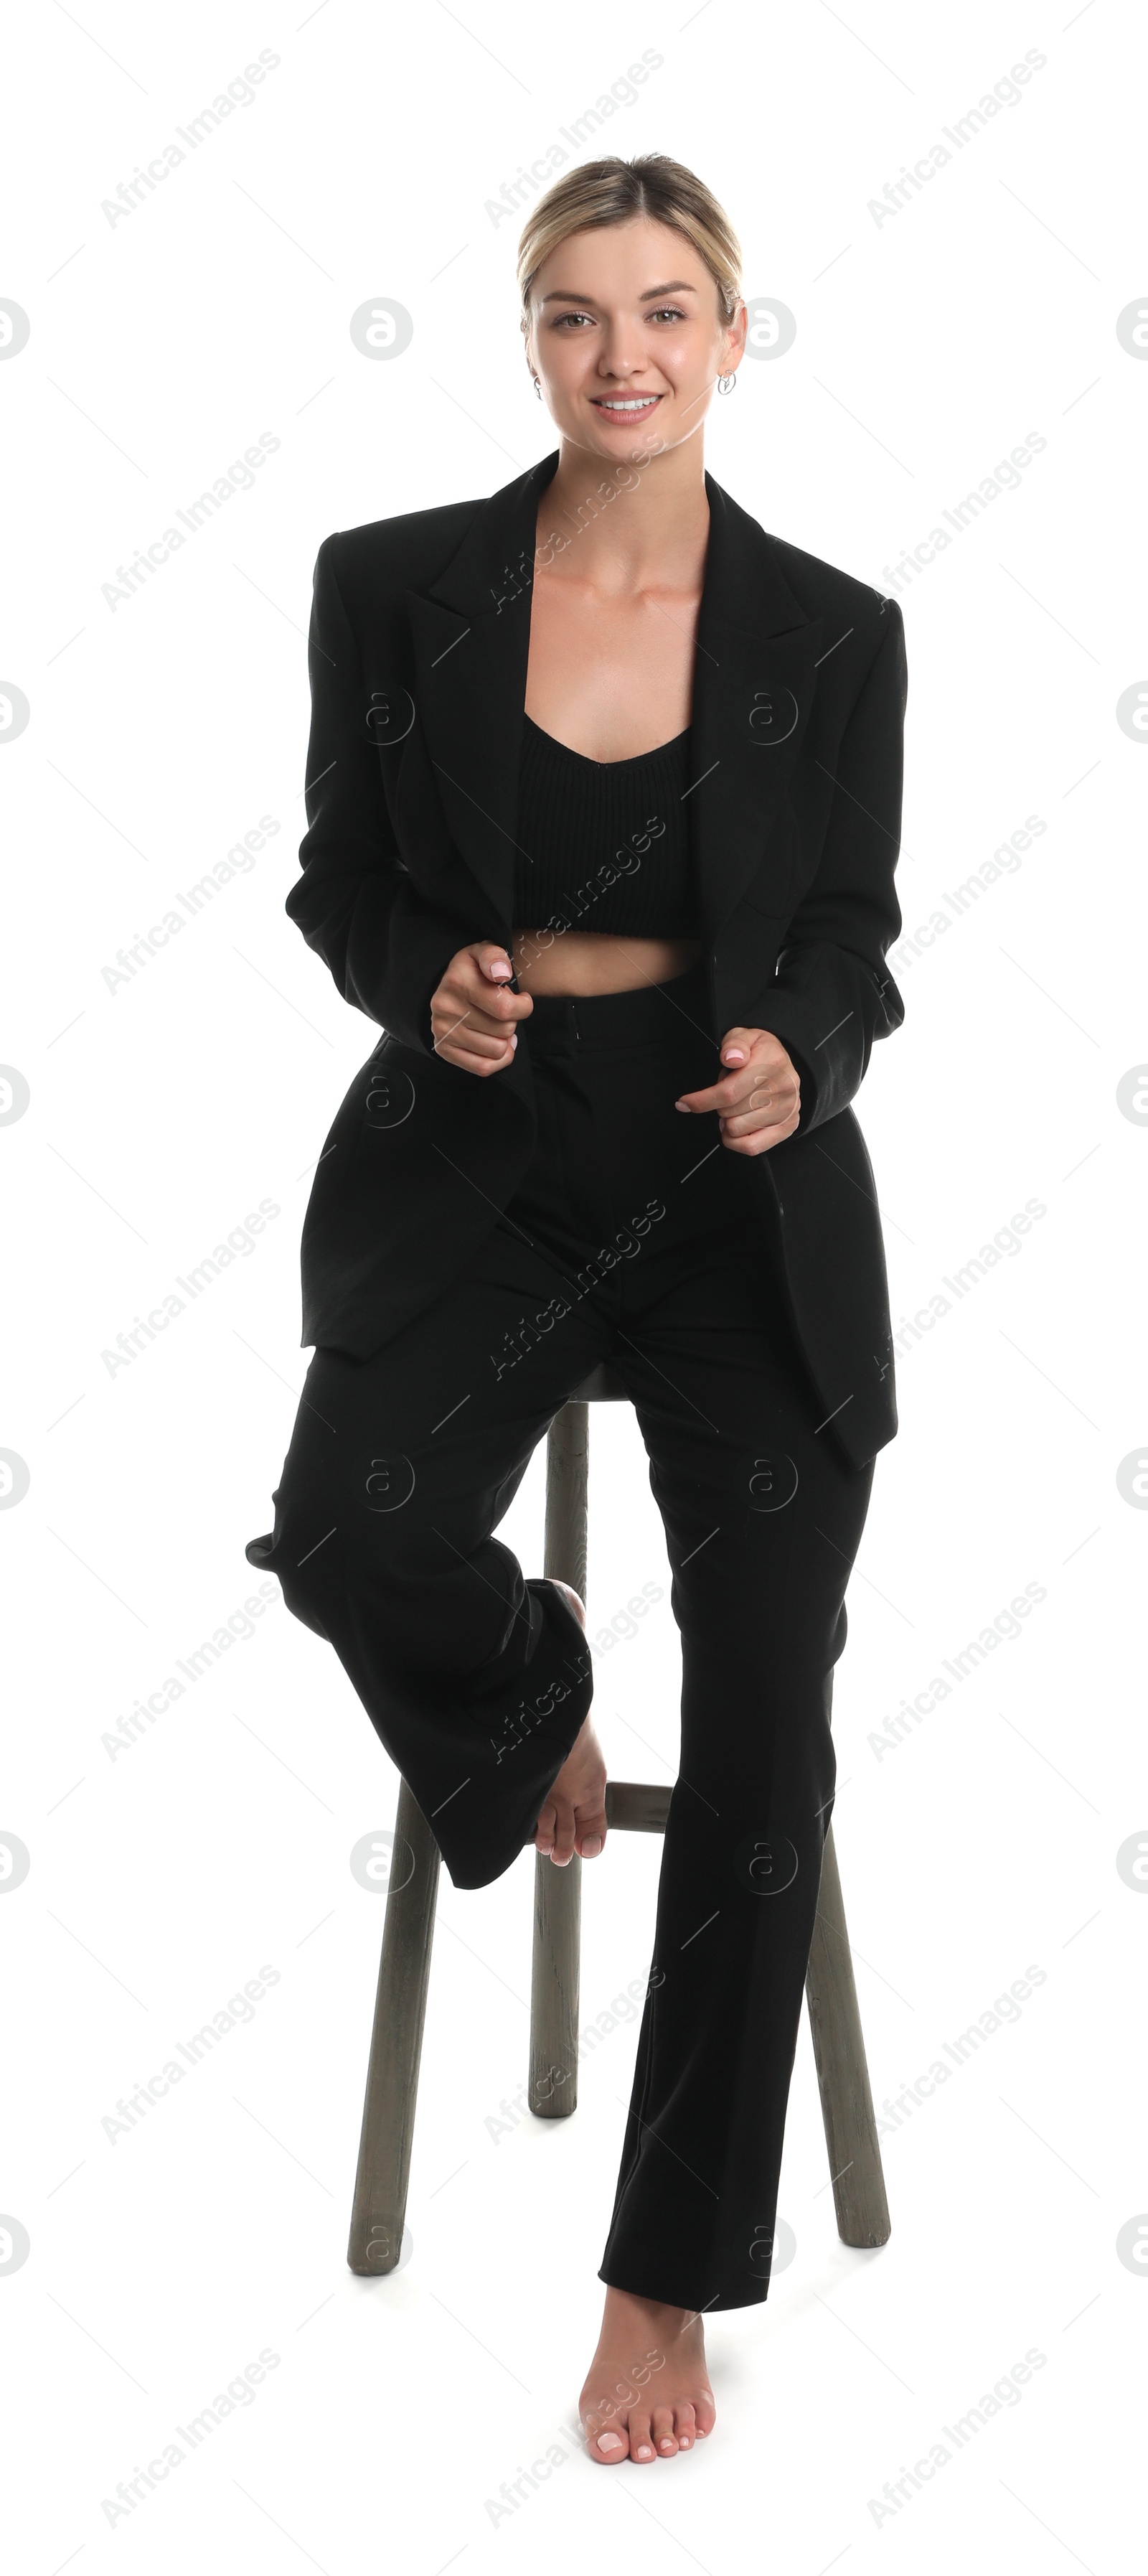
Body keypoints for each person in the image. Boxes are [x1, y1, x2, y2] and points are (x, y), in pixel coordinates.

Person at [245, 151, 908, 2467]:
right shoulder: (396, 584)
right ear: (527, 340)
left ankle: (662, 2277)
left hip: (737, 1195)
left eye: (665, 308)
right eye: (570, 314)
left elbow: (854, 936)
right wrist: (418, 982)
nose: (620, 352)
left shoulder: (834, 631)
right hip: (486, 1160)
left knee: (769, 1725)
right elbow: (338, 876)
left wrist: (799, 1049)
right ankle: (523, 1707)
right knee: (345, 1531)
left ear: (734, 332)